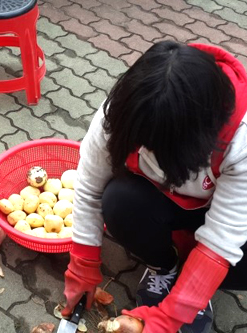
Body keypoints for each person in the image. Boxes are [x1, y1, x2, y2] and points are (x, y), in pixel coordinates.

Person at [62, 40, 247, 332]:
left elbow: (221, 241)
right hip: (157, 203)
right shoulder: (124, 110)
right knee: (119, 201)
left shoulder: (240, 139)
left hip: (219, 211)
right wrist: (83, 264)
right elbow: (89, 188)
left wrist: (170, 317)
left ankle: (195, 292)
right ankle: (164, 267)